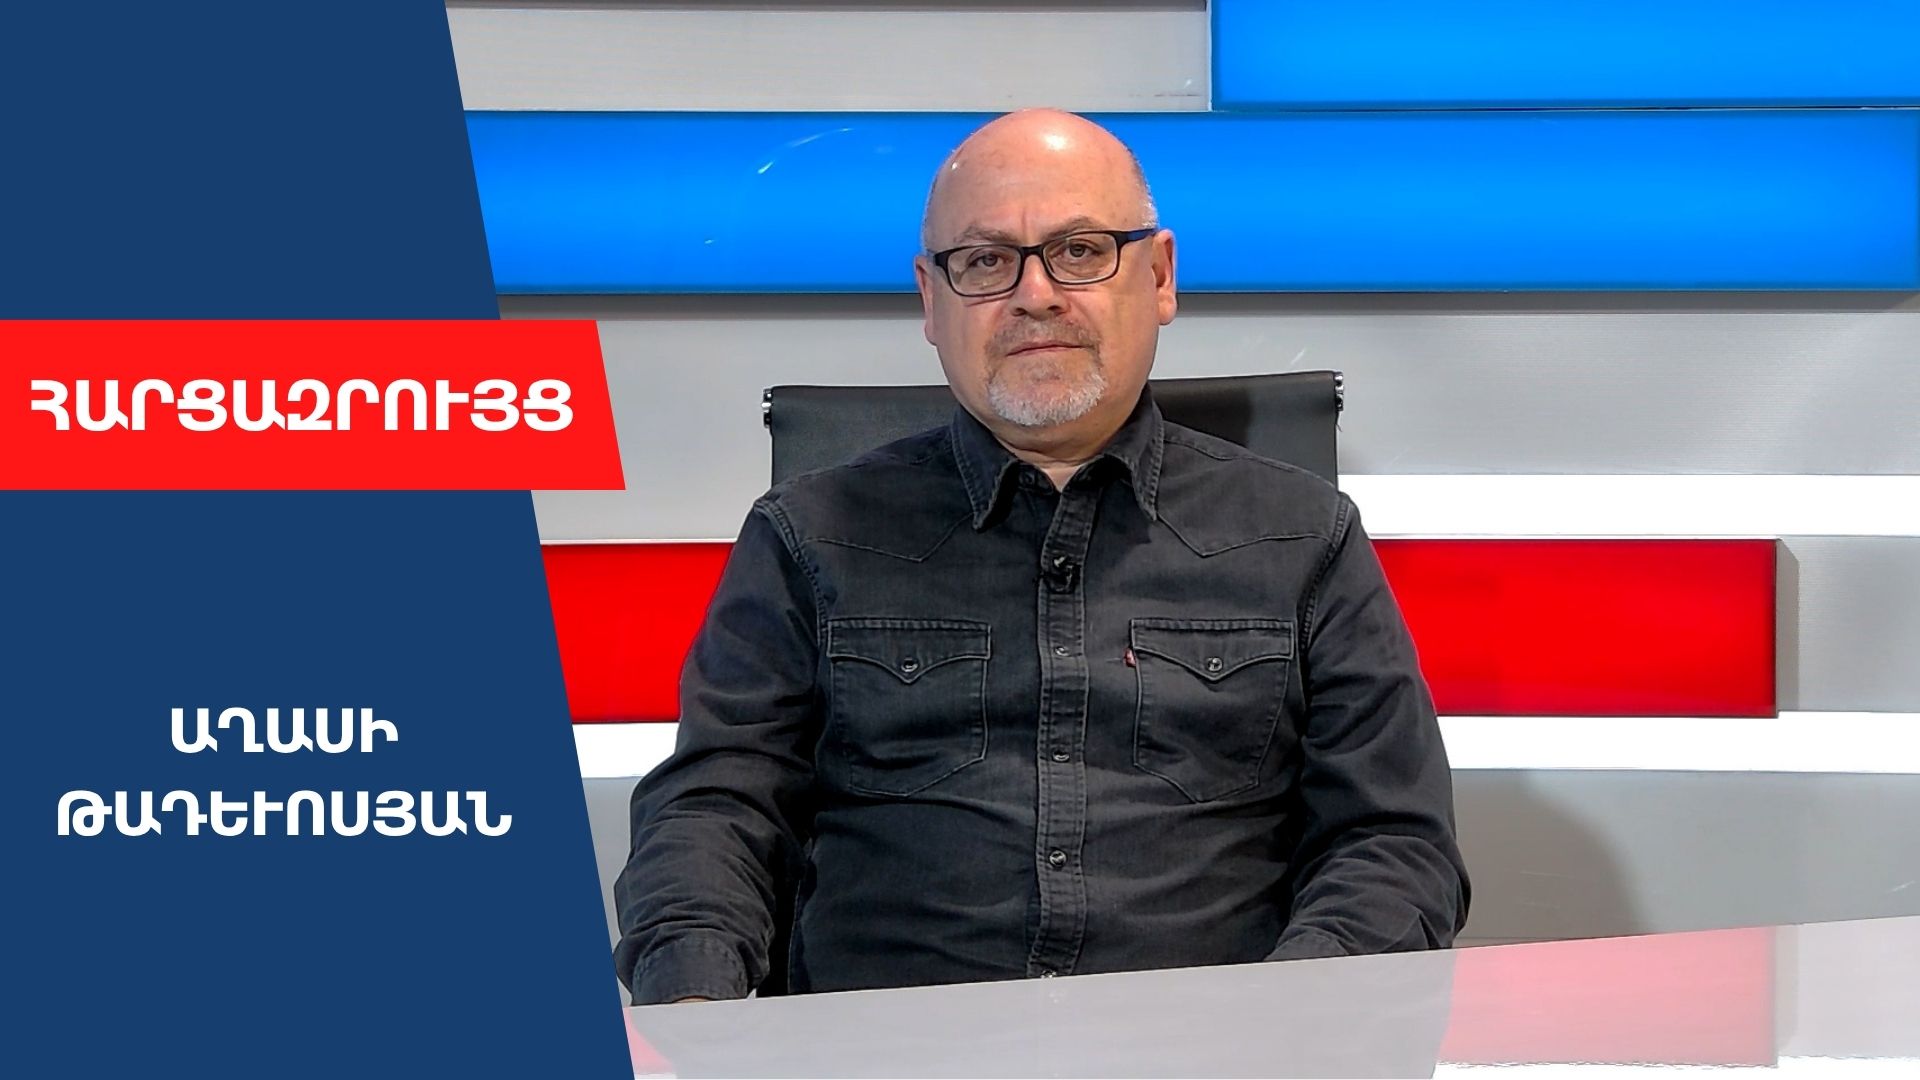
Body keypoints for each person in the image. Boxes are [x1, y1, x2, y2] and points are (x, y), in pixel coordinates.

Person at [613, 109, 1468, 1005]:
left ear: (1160, 276)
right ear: (931, 300)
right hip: (890, 1054)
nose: (1036, 295)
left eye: (1080, 250)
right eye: (986, 261)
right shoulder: (805, 535)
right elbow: (715, 815)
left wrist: (1287, 1028)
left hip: (1210, 1050)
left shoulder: (1304, 535)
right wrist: (698, 1011)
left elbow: (1391, 844)